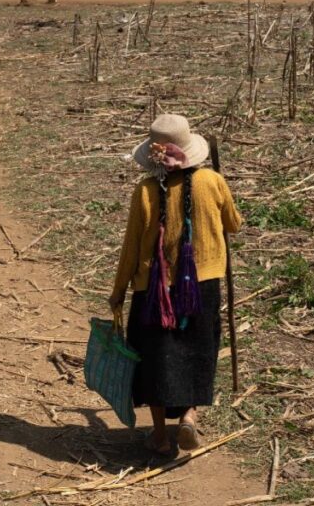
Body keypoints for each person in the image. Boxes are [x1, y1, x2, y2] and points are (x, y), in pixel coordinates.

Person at [109, 114, 242, 455]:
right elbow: (234, 225)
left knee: (155, 358)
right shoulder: (212, 181)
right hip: (203, 284)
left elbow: (131, 245)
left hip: (152, 289)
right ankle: (188, 417)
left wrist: (119, 290)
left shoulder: (145, 190)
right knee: (198, 351)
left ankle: (159, 436)